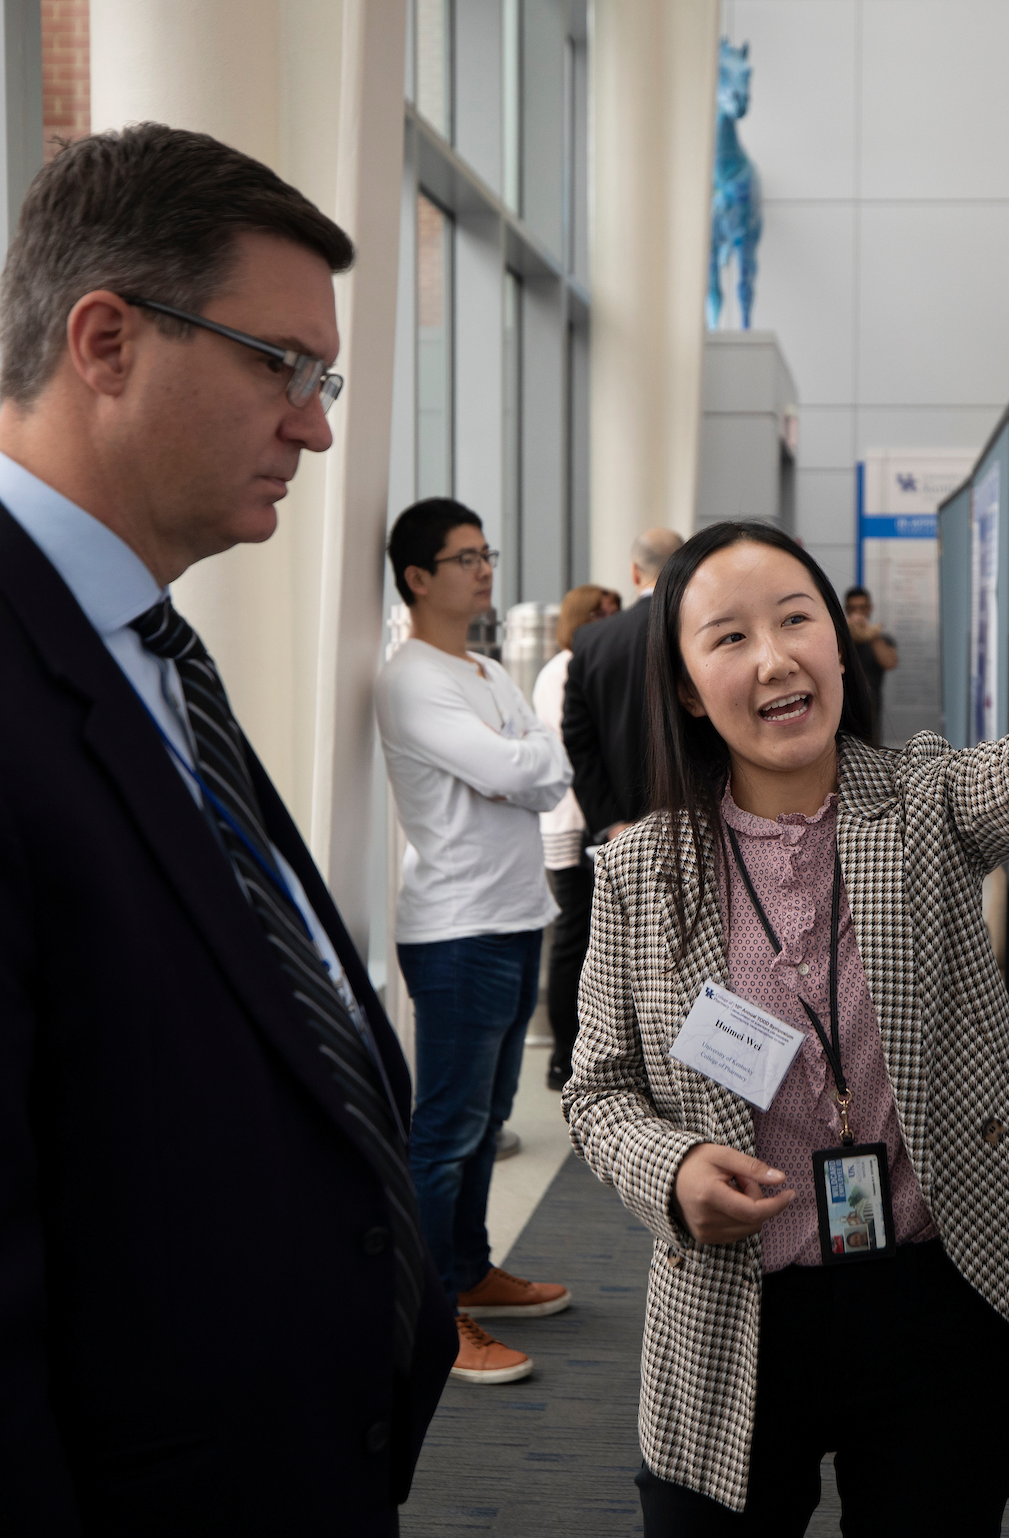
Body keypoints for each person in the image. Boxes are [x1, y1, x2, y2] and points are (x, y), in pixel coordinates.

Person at [0, 124, 456, 1532]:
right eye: (279, 366)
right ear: (105, 340)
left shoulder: (140, 651)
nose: (317, 423)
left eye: (324, 376)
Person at [564, 520, 1009, 1533]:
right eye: (729, 637)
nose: (775, 657)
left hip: (930, 1299)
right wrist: (675, 1168)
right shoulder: (643, 872)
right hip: (731, 1312)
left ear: (837, 639)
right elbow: (598, 1090)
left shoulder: (920, 803)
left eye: (796, 619)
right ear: (689, 686)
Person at [376, 497, 577, 1387]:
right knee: (447, 1133)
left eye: (485, 553)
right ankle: (429, 1314)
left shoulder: (491, 673)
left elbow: (546, 769)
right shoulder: (410, 676)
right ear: (418, 578)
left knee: (489, 1121)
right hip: (457, 930)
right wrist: (518, 759)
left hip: (514, 913)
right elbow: (513, 767)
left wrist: (521, 759)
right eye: (465, 558)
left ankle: (467, 1272)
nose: (484, 568)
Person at [561, 527, 684, 847]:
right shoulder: (705, 631)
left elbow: (577, 740)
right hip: (704, 824)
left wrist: (609, 823)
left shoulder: (591, 641)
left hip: (623, 835)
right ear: (686, 567)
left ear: (634, 572)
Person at [533, 583, 612, 1089]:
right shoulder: (565, 668)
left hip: (576, 816)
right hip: (569, 820)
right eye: (603, 613)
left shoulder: (564, 666)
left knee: (583, 940)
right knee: (572, 941)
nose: (611, 621)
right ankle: (563, 1053)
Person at [840, 586, 898, 745]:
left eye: (862, 608)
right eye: (853, 608)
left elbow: (890, 662)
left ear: (870, 609)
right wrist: (844, 633)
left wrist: (870, 634)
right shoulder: (839, 639)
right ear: (846, 609)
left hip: (870, 715)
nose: (858, 613)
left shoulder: (881, 639)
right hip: (841, 714)